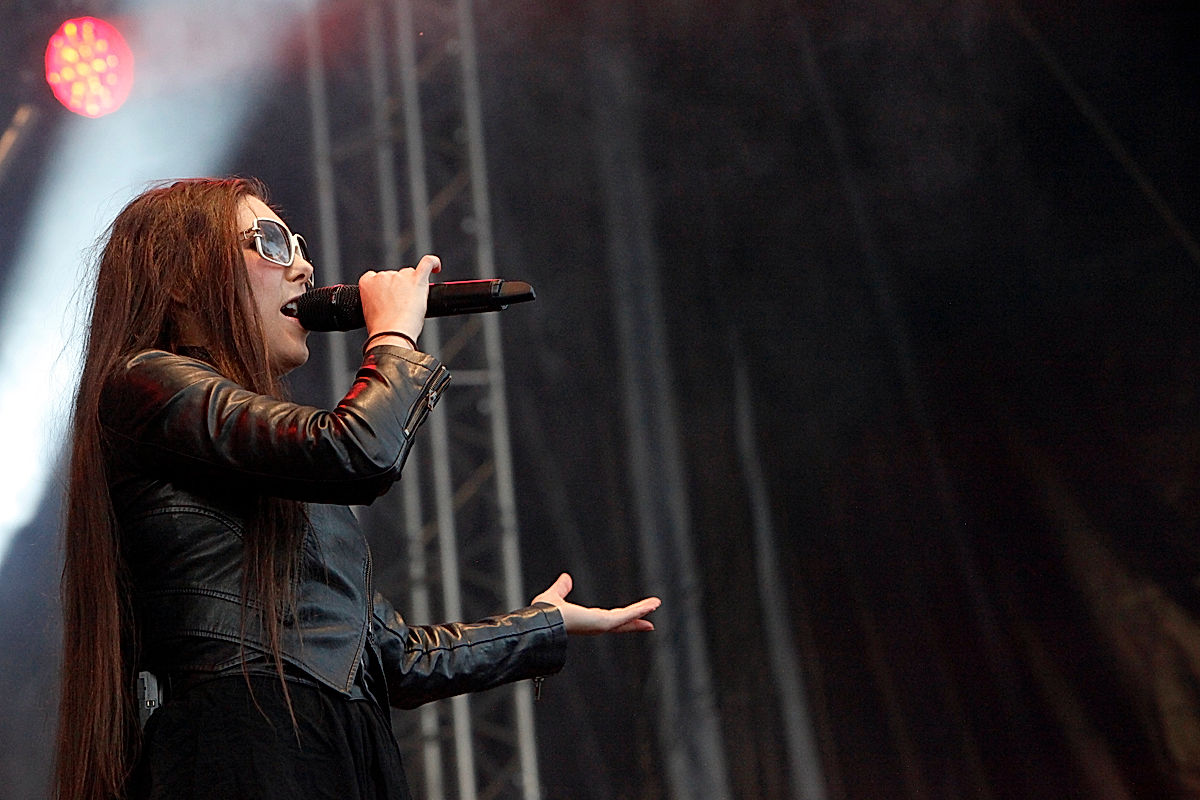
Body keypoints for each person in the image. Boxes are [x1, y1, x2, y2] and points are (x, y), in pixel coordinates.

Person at [54, 177, 660, 800]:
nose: (304, 267)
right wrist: (392, 339)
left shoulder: (275, 467)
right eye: (272, 243)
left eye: (299, 244)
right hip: (243, 742)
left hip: (339, 746)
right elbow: (357, 451)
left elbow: (394, 657)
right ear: (182, 279)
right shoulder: (144, 384)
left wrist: (542, 626)